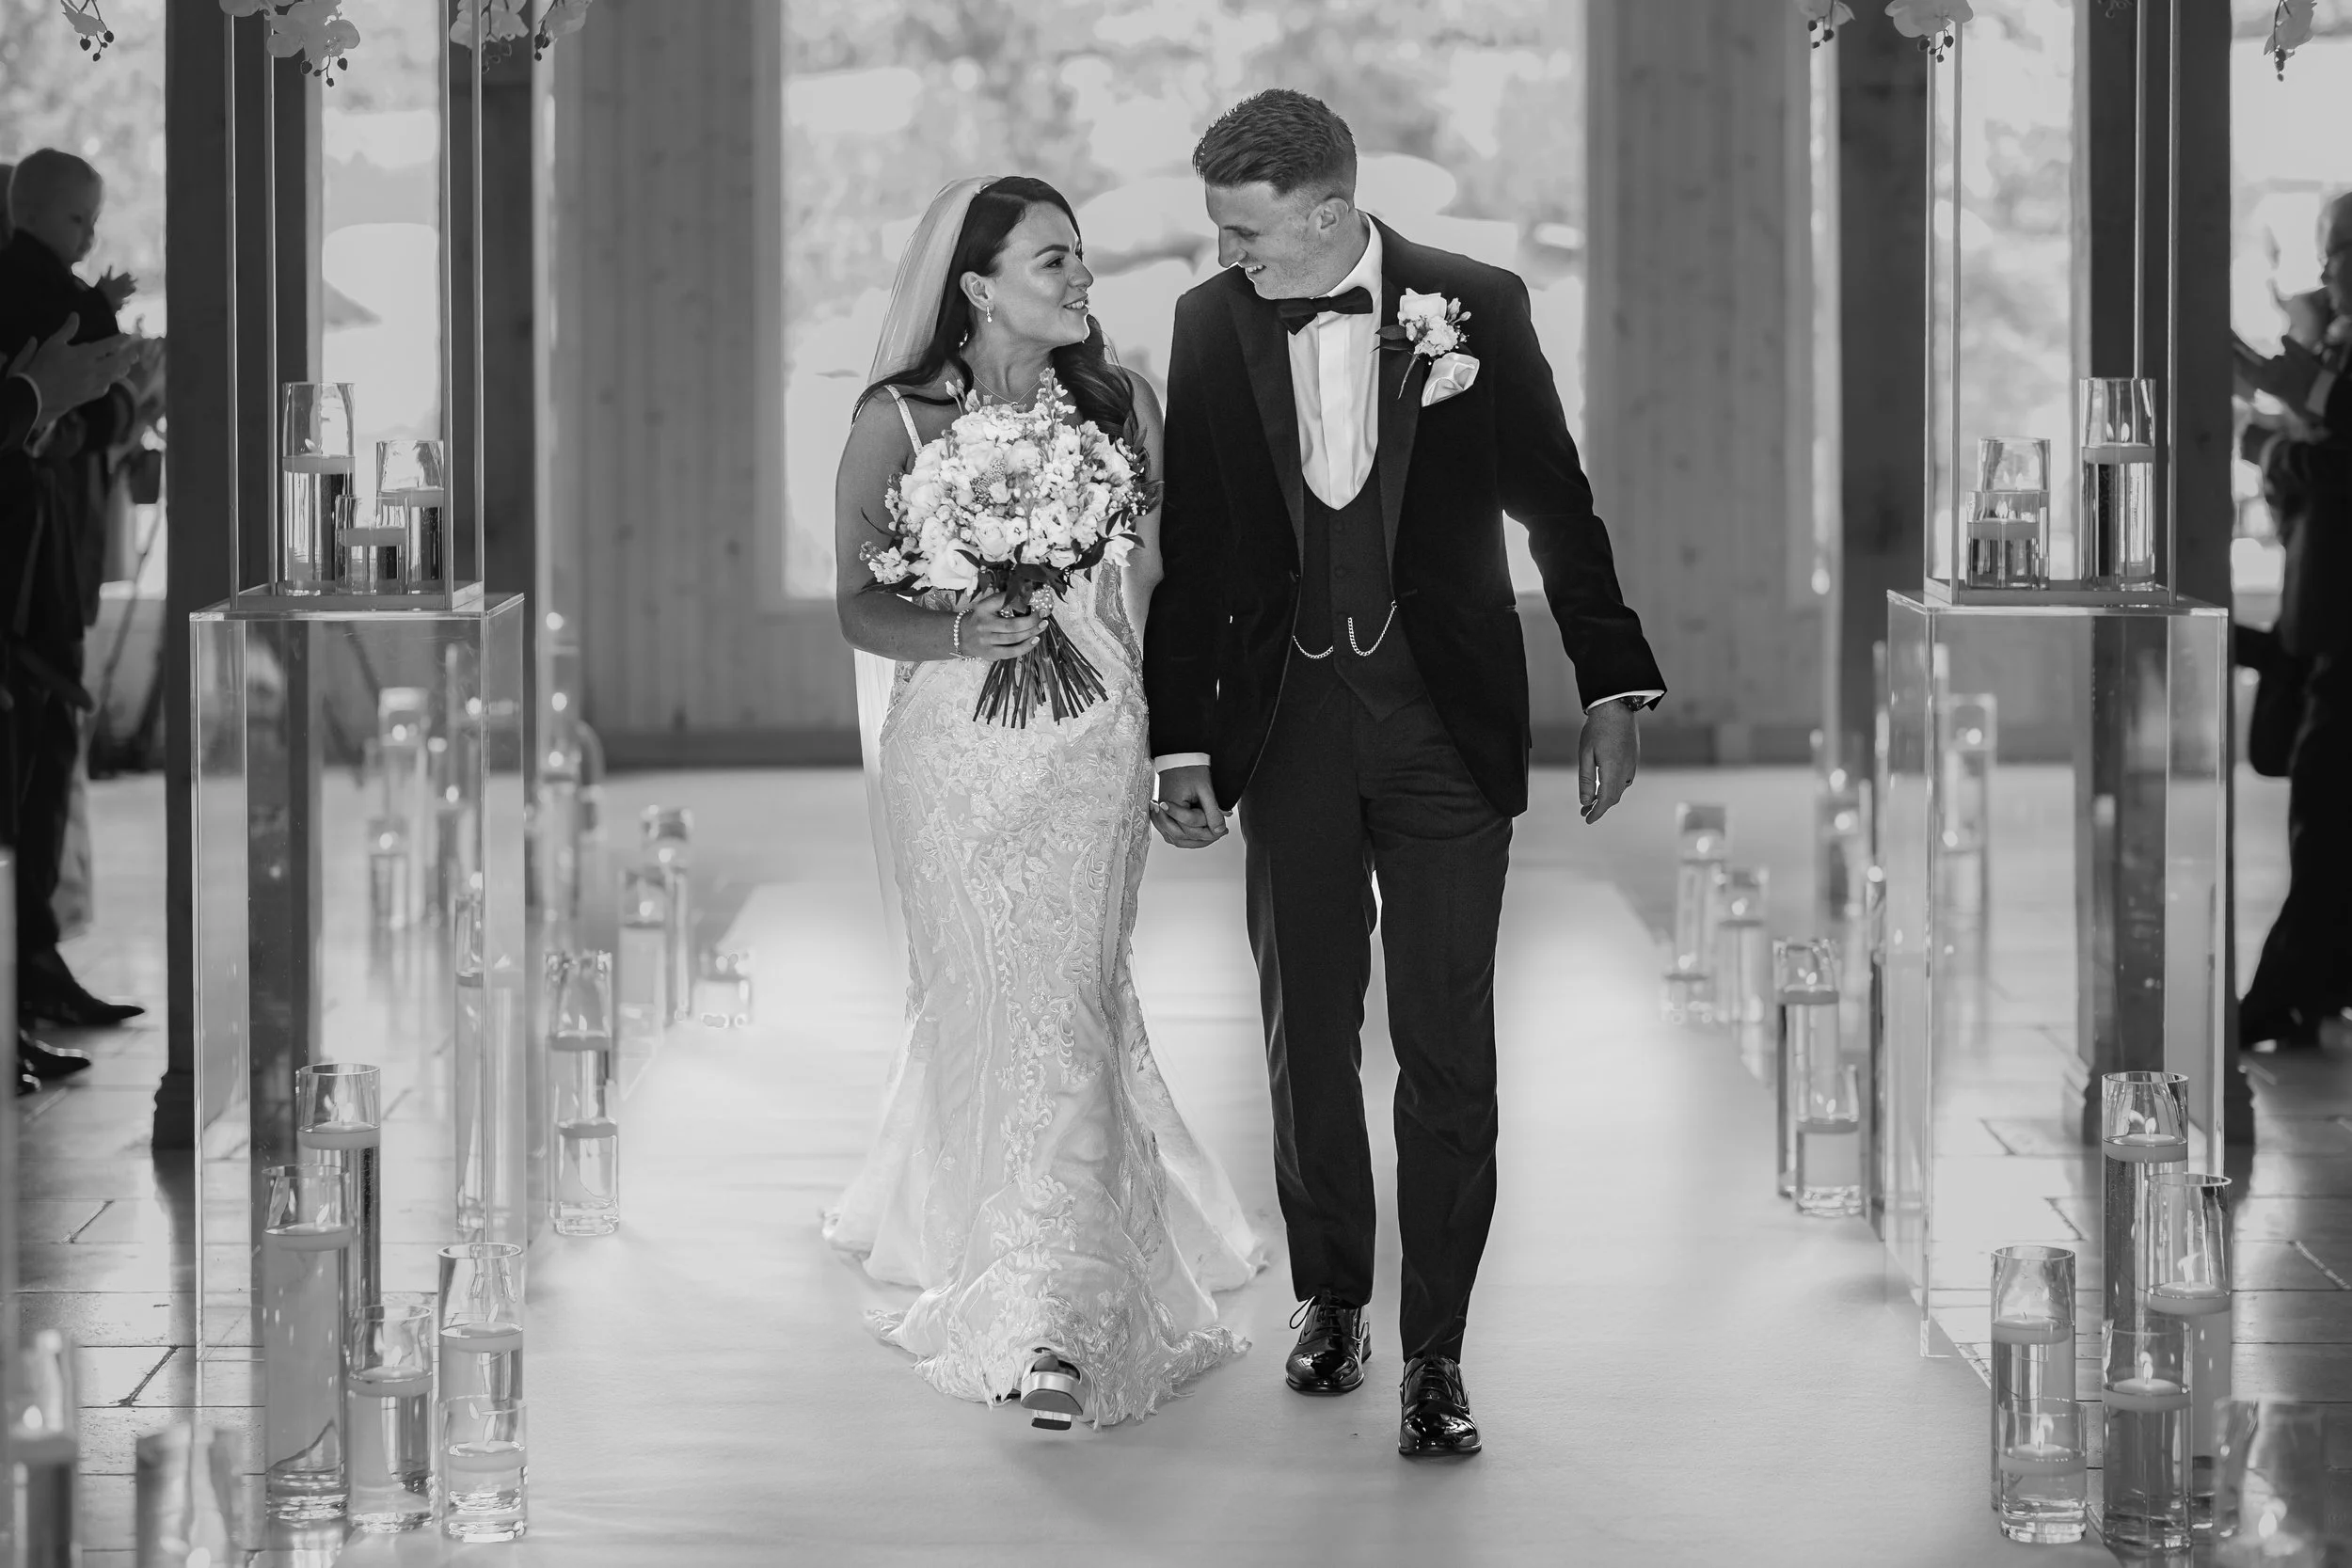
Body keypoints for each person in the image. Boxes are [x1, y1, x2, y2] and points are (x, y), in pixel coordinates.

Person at [1144, 91, 1666, 1459]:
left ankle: (1438, 1350)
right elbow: (1196, 544)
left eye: (1247, 232)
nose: (1228, 255)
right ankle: (1332, 1297)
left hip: (1445, 726)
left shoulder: (1477, 303)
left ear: (1329, 213)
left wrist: (1611, 682)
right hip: (1289, 729)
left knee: (1446, 1045)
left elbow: (1556, 501)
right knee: (1305, 1033)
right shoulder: (1208, 324)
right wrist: (1181, 738)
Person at [823, 176, 1263, 1430]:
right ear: (976, 286)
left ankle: (1057, 1313)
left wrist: (1178, 745)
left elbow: (1164, 584)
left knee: (1069, 1003)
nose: (1082, 277)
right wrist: (958, 628)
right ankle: (988, 1241)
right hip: (953, 751)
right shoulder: (894, 421)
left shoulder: (1123, 406)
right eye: (1052, 259)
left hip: (1091, 739)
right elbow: (858, 603)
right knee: (980, 1000)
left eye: (1080, 255)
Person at [0, 149, 146, 1064]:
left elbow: (94, 411)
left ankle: (32, 972)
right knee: (24, 779)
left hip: (45, 560)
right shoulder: (35, 287)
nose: (86, 237)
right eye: (76, 221)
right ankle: (18, 985)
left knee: (44, 766)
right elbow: (89, 403)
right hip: (21, 573)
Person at [2237, 191, 2352, 1050]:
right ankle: (2315, 987)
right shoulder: (2336, 344)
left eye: (2338, 251)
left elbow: (2335, 465)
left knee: (2323, 815)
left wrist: (2267, 445)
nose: (2332, 271)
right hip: (2324, 615)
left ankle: (2282, 995)